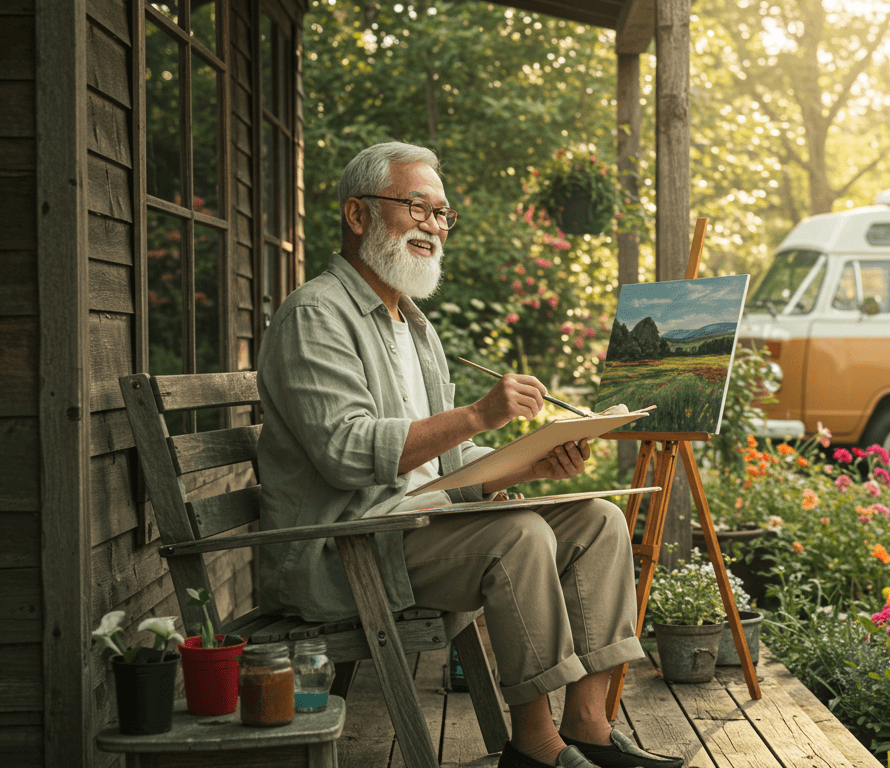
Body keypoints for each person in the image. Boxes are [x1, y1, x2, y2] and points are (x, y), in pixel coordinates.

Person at [256, 142, 682, 768]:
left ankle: (589, 726)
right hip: (348, 545)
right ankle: (535, 747)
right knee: (519, 536)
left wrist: (532, 462)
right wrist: (481, 414)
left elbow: (444, 463)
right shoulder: (315, 315)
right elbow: (346, 455)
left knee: (598, 521)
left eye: (442, 214)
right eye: (417, 207)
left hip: (418, 525)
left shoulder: (412, 326)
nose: (433, 225)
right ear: (357, 215)